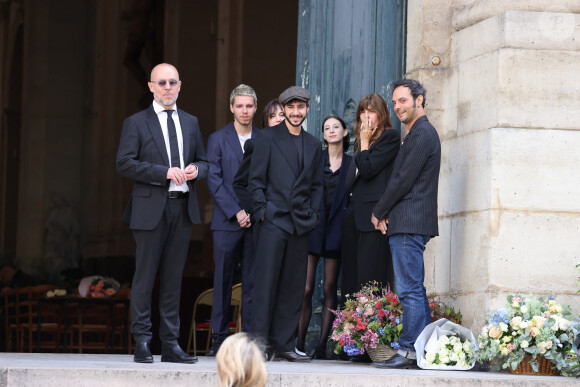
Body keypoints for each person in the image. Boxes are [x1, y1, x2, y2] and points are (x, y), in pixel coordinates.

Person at [116, 63, 208, 364]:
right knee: (144, 279)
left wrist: (197, 170)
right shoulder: (136, 122)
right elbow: (124, 163)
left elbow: (205, 161)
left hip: (181, 209)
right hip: (149, 209)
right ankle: (142, 341)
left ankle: (170, 344)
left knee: (173, 280)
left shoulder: (191, 122)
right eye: (161, 83)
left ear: (180, 85)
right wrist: (163, 172)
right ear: (151, 87)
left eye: (172, 82)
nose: (167, 88)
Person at [370, 78, 441, 369]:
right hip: (408, 220)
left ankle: (410, 350)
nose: (398, 106)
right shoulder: (415, 133)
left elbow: (402, 180)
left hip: (409, 221)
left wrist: (379, 211)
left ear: (419, 101)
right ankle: (423, 350)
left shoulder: (422, 133)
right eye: (395, 101)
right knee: (414, 289)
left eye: (403, 100)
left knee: (409, 290)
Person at [249, 86, 323, 362]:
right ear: (284, 109)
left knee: (294, 288)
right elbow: (254, 181)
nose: (295, 112)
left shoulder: (315, 145)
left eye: (300, 107)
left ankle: (285, 345)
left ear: (306, 109)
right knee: (266, 284)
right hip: (273, 221)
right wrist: (263, 211)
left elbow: (317, 186)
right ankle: (258, 345)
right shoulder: (266, 138)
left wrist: (313, 214)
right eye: (290, 107)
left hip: (300, 224)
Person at [205, 84, 259, 356]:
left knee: (251, 282)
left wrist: (252, 212)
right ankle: (219, 339)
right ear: (231, 108)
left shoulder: (263, 139)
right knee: (223, 282)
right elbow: (214, 180)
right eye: (239, 106)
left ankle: (249, 340)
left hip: (255, 222)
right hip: (226, 222)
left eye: (249, 106)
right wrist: (236, 211)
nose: (244, 110)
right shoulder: (217, 139)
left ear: (255, 108)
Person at [296, 115, 351, 359]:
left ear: (345, 132)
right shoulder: (315, 160)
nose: (331, 131)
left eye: (335, 127)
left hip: (337, 231)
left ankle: (320, 348)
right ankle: (298, 344)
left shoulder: (352, 163)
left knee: (330, 288)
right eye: (326, 128)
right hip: (313, 229)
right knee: (306, 288)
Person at [341, 94, 400, 306]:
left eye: (371, 112)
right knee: (349, 281)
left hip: (373, 219)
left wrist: (364, 142)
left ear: (381, 114)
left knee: (369, 281)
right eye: (362, 112)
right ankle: (346, 332)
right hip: (353, 216)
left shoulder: (389, 137)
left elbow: (367, 169)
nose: (366, 117)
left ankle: (367, 333)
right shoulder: (361, 141)